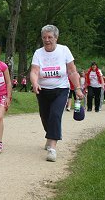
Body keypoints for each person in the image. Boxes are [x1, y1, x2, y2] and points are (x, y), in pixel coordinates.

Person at [30, 25, 84, 162]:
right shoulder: (38, 53)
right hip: (42, 90)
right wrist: (35, 83)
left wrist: (77, 88)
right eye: (44, 37)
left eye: (50, 37)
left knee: (55, 114)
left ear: (56, 38)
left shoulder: (64, 50)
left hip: (61, 89)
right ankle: (50, 135)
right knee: (45, 116)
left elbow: (72, 71)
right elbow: (35, 71)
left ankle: (52, 148)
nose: (47, 40)